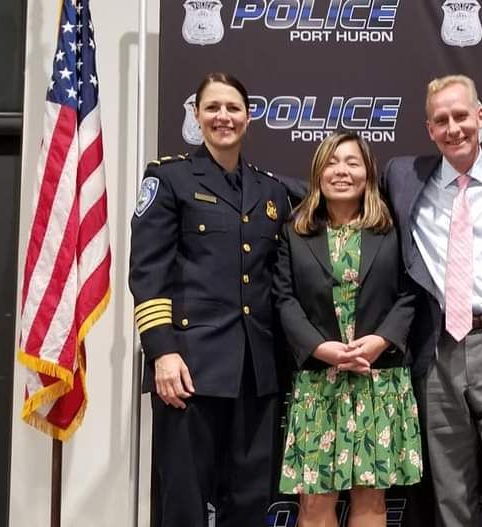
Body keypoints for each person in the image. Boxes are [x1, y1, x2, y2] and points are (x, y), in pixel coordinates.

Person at [129, 72, 295, 527]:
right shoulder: (170, 179)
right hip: (189, 370)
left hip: (256, 375)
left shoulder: (271, 191)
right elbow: (147, 274)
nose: (224, 116)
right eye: (213, 107)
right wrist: (162, 354)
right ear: (197, 116)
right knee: (184, 501)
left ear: (248, 116)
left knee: (249, 501)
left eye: (233, 108)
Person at [382, 75, 482, 527]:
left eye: (461, 116)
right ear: (429, 129)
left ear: (481, 117)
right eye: (441, 120)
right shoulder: (402, 176)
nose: (453, 128)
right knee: (450, 491)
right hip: (437, 349)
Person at [273, 132, 423, 527]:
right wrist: (322, 349)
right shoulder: (294, 231)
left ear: (368, 173)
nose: (341, 171)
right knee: (315, 504)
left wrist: (380, 341)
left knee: (371, 502)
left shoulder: (393, 227)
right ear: (317, 173)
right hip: (319, 381)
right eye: (331, 162)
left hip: (378, 377)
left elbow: (411, 292)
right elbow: (284, 299)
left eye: (352, 162)